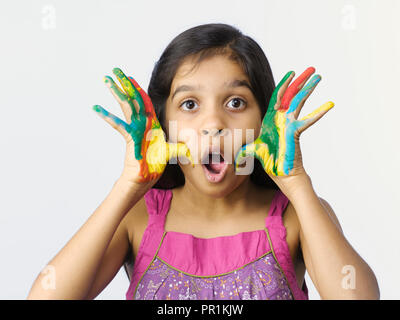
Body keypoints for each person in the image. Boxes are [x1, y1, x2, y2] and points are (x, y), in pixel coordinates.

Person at [27, 23, 379, 300]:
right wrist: (127, 186)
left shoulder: (298, 215)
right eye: (190, 105)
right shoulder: (136, 216)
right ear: (163, 124)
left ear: (266, 121)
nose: (213, 125)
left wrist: (298, 183)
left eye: (236, 103)